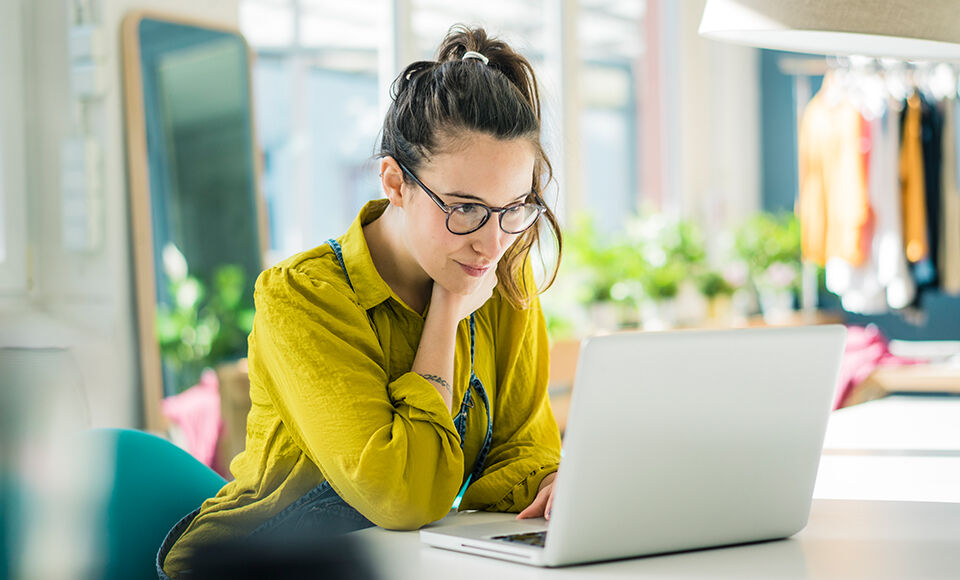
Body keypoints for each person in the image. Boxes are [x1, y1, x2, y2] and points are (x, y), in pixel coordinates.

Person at [158, 24, 564, 579]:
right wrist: (447, 311)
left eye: (514, 208)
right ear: (394, 182)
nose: (492, 242)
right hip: (256, 565)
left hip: (398, 563)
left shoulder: (498, 281)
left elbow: (520, 447)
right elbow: (405, 495)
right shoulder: (301, 298)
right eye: (465, 209)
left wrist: (548, 484)